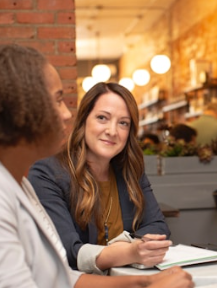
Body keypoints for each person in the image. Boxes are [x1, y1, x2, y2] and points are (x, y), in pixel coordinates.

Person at [0, 43, 197, 288]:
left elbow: (64, 279)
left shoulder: (18, 182)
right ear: (20, 110)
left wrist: (144, 285)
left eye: (123, 123)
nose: (67, 115)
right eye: (57, 102)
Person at [28, 82, 171, 275]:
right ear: (84, 120)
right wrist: (129, 252)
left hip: (128, 284)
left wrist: (126, 249)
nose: (112, 131)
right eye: (102, 118)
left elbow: (158, 227)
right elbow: (67, 251)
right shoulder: (47, 174)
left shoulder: (131, 170)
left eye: (123, 123)